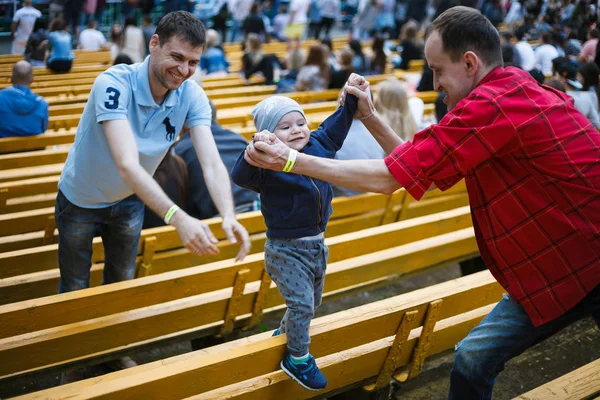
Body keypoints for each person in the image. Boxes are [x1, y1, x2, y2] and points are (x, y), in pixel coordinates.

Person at [243, 7, 600, 399]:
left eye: (437, 70)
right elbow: (415, 172)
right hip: (560, 264)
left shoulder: (490, 106)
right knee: (471, 360)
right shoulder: (512, 87)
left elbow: (387, 180)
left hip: (582, 257)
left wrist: (291, 160)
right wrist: (372, 119)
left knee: (472, 361)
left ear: (469, 63)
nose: (434, 84)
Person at [55, 11, 251, 297]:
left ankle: (110, 339)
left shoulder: (192, 95)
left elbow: (211, 162)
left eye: (193, 62)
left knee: (121, 280)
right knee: (74, 285)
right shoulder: (113, 83)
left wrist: (228, 215)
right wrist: (177, 217)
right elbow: (126, 164)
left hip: (132, 197)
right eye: (177, 57)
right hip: (82, 197)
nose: (184, 70)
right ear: (154, 43)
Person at [231, 93, 359, 392]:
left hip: (316, 245)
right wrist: (256, 146)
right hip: (285, 249)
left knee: (311, 303)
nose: (297, 130)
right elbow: (240, 175)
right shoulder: (266, 164)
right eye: (284, 127)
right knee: (302, 304)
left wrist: (351, 98)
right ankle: (298, 359)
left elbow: (336, 124)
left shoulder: (318, 145)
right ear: (269, 136)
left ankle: (287, 332)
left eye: (300, 122)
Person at [175, 101, 259, 220]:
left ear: (183, 122)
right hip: (256, 215)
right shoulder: (238, 139)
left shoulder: (179, 150)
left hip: (215, 224)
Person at [0, 61, 48, 138]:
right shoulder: (42, 103)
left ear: (11, 78)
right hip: (34, 148)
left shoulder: (1, 97)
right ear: (32, 79)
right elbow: (43, 129)